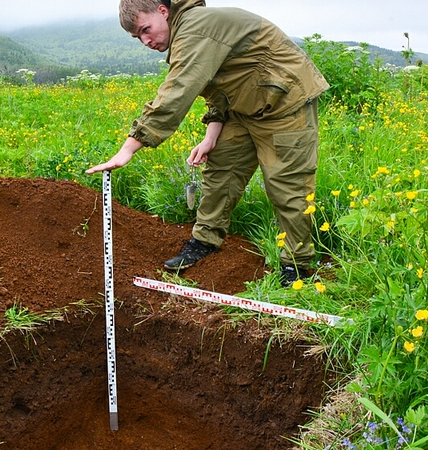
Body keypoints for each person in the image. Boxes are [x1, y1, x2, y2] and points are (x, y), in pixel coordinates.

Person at [87, 0, 329, 287]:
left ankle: (296, 266)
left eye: (146, 29)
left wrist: (129, 148)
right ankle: (205, 240)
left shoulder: (196, 27)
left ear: (163, 11)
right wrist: (211, 136)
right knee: (220, 168)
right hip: (244, 108)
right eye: (138, 36)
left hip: (284, 105)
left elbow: (178, 89)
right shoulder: (186, 32)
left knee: (287, 185)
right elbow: (216, 86)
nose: (145, 40)